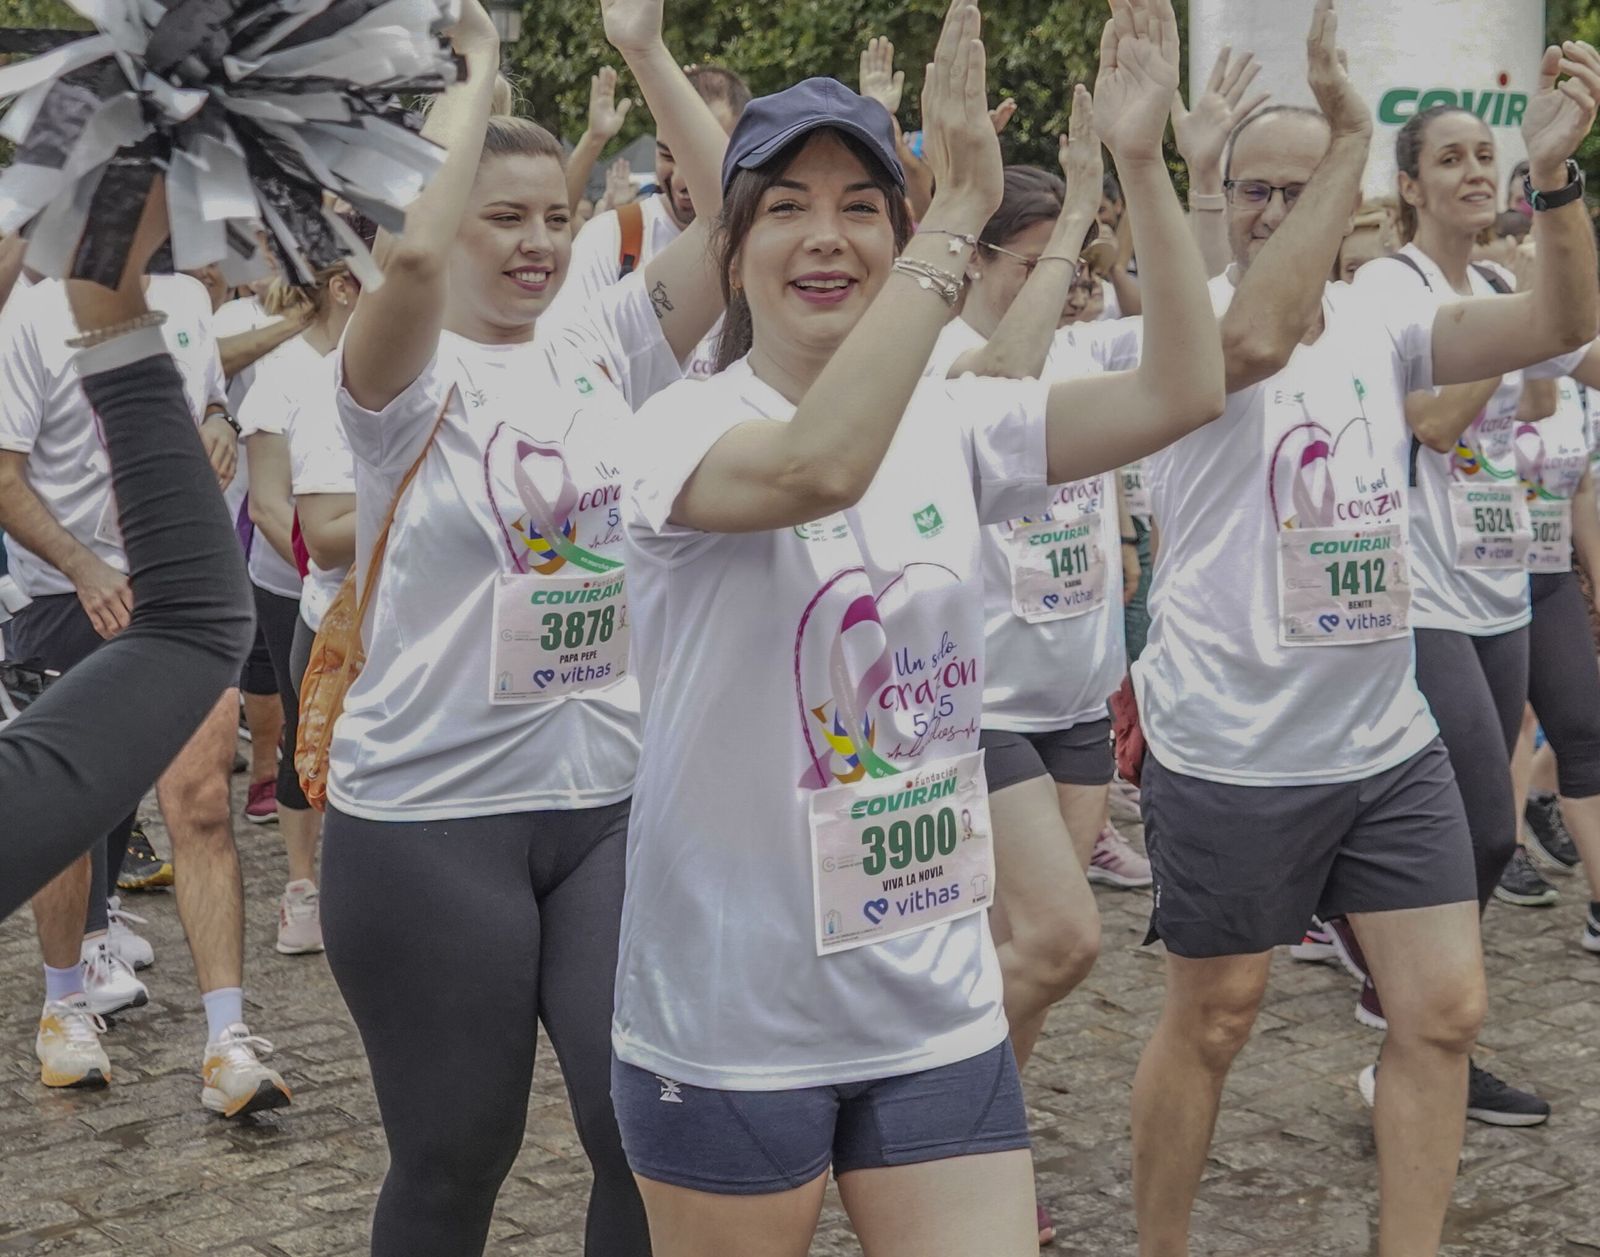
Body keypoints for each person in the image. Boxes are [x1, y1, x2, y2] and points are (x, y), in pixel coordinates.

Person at [613, 0, 1224, 1251]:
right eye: (785, 207)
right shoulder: (677, 429)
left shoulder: (955, 418)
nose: (826, 237)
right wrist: (951, 207)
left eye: (859, 206)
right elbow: (813, 471)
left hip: (933, 1007)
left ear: (894, 239)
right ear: (729, 253)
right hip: (734, 1019)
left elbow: (1184, 387)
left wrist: (1148, 169)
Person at [1064, 5, 1597, 1252]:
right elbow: (1251, 339)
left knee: (1447, 1010)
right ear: (1226, 196)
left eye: (1306, 187)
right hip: (1233, 748)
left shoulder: (1378, 319)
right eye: (1256, 188)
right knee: (1215, 1018)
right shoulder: (1183, 326)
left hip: (1381, 738)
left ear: (1355, 206)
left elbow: (1555, 327)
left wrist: (1559, 182)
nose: (1274, 211)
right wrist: (1344, 135)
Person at [321, 0, 727, 1250]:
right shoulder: (396, 373)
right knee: (457, 1155)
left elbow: (732, 217)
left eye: (556, 216)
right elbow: (405, 264)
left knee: (642, 1134)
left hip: (604, 804)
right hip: (430, 820)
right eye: (505, 217)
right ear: (451, 225)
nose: (539, 243)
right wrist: (480, 70)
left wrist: (646, 54)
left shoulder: (602, 345)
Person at [1358, 90, 1600, 1122]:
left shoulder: (1501, 279)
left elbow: (1579, 345)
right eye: (1446, 157)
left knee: (1492, 838)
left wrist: (1555, 199)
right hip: (1418, 593)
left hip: (1500, 580)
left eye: (1482, 155)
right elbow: (1423, 421)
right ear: (1408, 186)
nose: (1469, 170)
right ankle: (1421, 1038)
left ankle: (1411, 1015)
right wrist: (1504, 342)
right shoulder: (1387, 284)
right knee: (1462, 825)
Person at [0, 174, 255, 1089]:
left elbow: (203, 400)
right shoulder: (27, 315)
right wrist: (82, 563)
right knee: (64, 812)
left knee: (201, 803)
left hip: (172, 596)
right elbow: (3, 472)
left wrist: (219, 424)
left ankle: (227, 1036)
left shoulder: (183, 298)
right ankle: (63, 1005)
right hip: (66, 594)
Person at [237, 238, 367, 955]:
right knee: (302, 739)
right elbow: (265, 505)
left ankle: (358, 887)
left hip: (365, 585)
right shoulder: (284, 378)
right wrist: (335, 576)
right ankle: (299, 886)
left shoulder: (402, 356)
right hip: (296, 585)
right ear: (347, 286)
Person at [557, 62, 750, 378]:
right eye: (667, 155)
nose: (680, 179)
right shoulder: (611, 237)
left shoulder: (770, 248)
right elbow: (566, 366)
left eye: (699, 154)